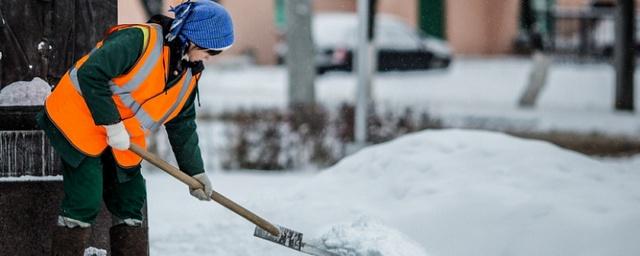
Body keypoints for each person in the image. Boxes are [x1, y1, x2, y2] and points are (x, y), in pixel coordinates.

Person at [36, 1, 234, 255]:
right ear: (194, 40)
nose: (209, 58)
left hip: (123, 137)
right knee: (86, 196)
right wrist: (111, 123)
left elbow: (182, 123)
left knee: (130, 198)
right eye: (211, 51)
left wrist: (195, 172)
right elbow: (91, 74)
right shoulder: (139, 40)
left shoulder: (189, 72)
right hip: (78, 117)